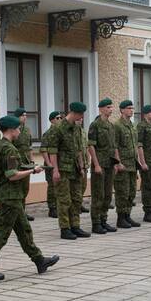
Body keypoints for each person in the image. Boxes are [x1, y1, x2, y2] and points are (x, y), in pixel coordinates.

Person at [0, 115, 59, 281]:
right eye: (18, 128)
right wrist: (32, 171)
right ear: (12, 129)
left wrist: (29, 166)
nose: (20, 131)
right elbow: (12, 175)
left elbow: (7, 168)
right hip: (10, 197)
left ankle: (39, 260)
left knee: (24, 229)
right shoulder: (9, 149)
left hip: (7, 195)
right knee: (1, 234)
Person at [48, 102, 90, 240]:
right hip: (63, 169)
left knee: (76, 199)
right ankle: (65, 228)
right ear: (74, 113)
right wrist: (55, 170)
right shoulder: (58, 128)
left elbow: (79, 150)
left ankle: (75, 226)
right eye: (80, 114)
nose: (81, 117)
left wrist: (82, 166)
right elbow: (52, 151)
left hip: (75, 169)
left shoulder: (76, 128)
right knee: (64, 200)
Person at [87, 98, 120, 234]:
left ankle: (103, 220)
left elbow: (114, 146)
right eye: (108, 107)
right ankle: (96, 223)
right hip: (100, 164)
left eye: (111, 107)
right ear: (100, 109)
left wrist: (117, 162)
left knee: (107, 194)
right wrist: (96, 164)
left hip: (110, 163)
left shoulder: (111, 126)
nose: (110, 110)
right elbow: (91, 145)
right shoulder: (95, 125)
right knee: (98, 194)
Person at [113, 100, 140, 229]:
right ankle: (121, 217)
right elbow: (115, 146)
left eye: (132, 108)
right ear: (122, 110)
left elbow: (135, 145)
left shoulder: (132, 125)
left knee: (131, 192)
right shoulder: (117, 126)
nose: (131, 110)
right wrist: (118, 162)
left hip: (132, 164)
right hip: (123, 163)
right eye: (129, 108)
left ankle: (128, 215)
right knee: (122, 192)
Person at [11, 108, 35, 221]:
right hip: (16, 163)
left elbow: (30, 147)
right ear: (17, 117)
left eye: (26, 115)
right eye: (22, 115)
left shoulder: (27, 130)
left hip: (26, 163)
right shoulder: (12, 130)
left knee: (25, 189)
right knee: (17, 189)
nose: (25, 117)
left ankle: (22, 212)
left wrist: (32, 161)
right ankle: (16, 213)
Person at [41, 111, 62, 217]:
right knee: (52, 186)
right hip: (51, 163)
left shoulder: (61, 132)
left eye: (61, 118)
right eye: (57, 118)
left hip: (60, 163)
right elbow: (43, 150)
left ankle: (58, 206)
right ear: (52, 120)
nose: (60, 120)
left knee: (59, 186)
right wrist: (49, 163)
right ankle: (52, 208)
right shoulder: (47, 134)